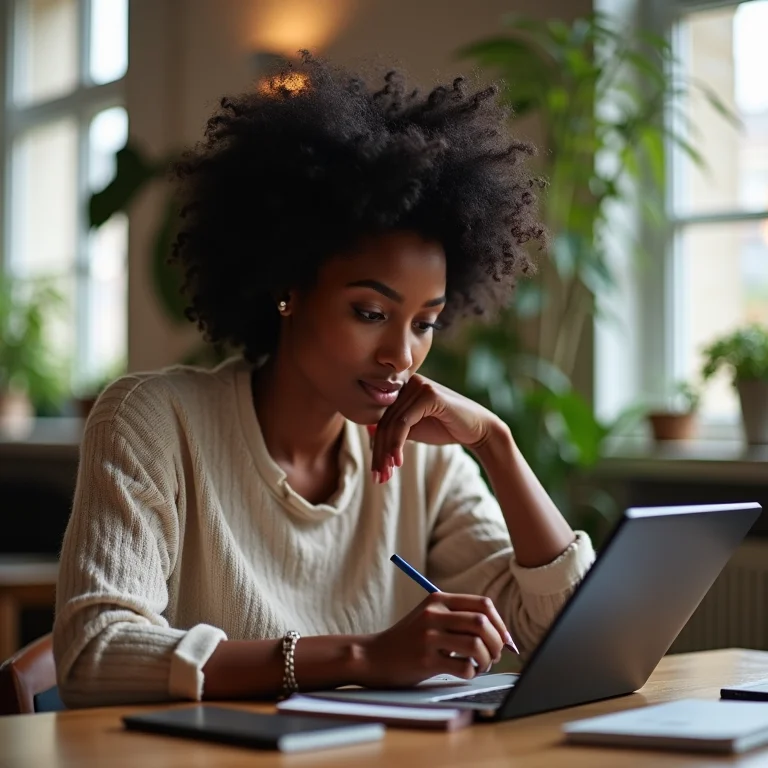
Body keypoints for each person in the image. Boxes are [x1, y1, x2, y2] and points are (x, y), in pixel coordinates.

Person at [53, 53, 595, 708]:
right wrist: (361, 655)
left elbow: (567, 634)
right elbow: (95, 653)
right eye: (369, 312)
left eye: (425, 322)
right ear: (289, 289)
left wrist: (497, 446)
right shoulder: (155, 422)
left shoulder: (423, 463)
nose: (401, 354)